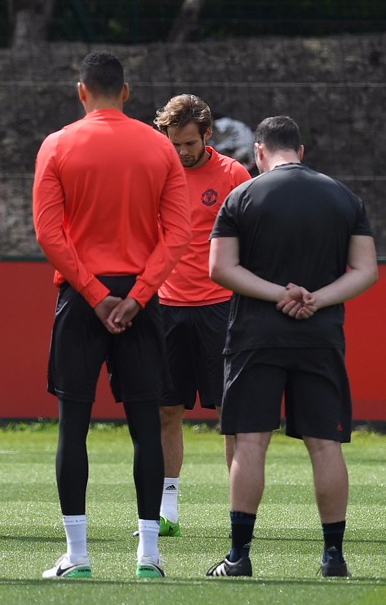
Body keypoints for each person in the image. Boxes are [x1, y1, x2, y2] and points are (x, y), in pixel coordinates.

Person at [33, 51, 190, 579]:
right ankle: (149, 555)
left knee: (71, 426)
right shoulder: (160, 147)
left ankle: (77, 556)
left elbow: (49, 234)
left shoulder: (57, 145)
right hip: (140, 304)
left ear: (82, 91)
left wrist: (95, 294)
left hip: (82, 300)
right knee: (147, 426)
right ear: (126, 92)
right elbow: (178, 235)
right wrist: (138, 295)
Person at [205, 116, 376, 578]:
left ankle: (239, 557)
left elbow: (220, 268)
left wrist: (279, 293)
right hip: (319, 335)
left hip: (256, 335)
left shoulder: (241, 195)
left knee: (251, 442)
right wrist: (315, 298)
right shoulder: (344, 197)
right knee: (325, 446)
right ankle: (334, 557)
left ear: (258, 152)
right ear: (300, 151)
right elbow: (365, 270)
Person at [148, 94, 250, 538]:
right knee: (166, 410)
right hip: (166, 306)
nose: (181, 152)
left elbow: (251, 239)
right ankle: (166, 509)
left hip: (221, 308)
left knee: (231, 413)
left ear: (207, 135)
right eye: (173, 143)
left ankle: (238, 516)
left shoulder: (233, 174)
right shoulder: (155, 172)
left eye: (188, 144)